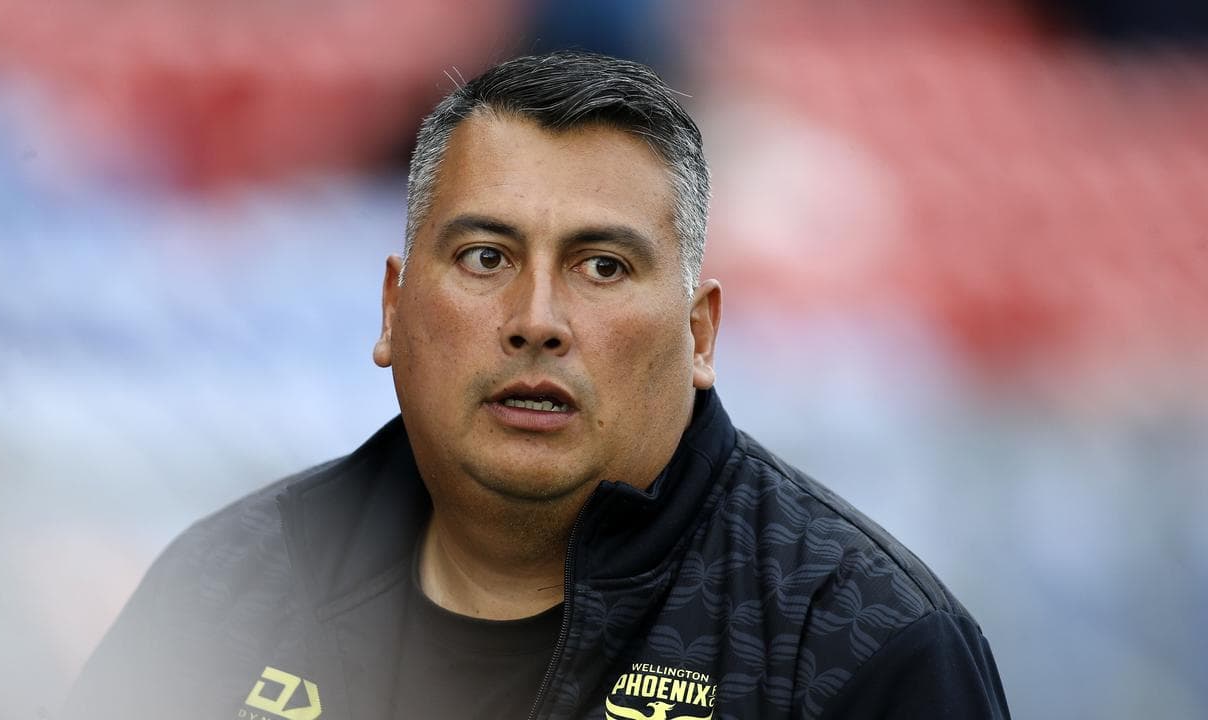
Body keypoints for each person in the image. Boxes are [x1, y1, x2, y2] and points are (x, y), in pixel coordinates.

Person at [62, 51, 1009, 720]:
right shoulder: (223, 586)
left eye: (602, 267)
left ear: (699, 334)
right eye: (485, 257)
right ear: (392, 310)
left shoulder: (862, 646)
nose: (537, 318)